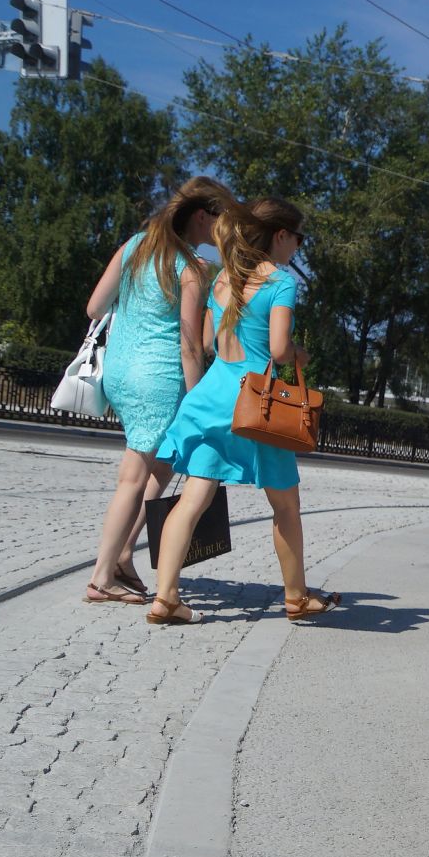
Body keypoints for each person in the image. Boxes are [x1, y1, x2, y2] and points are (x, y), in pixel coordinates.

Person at [145, 197, 341, 626]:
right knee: (286, 503)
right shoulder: (281, 282)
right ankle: (296, 597)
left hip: (213, 395)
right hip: (258, 404)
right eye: (298, 237)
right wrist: (299, 355)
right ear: (281, 235)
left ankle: (165, 597)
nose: (298, 247)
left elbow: (212, 343)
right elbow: (276, 350)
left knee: (194, 497)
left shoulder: (223, 280)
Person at [78, 176, 237, 605]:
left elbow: (95, 308)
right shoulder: (186, 269)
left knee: (160, 466)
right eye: (220, 221)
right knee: (134, 477)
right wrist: (197, 402)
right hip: (158, 379)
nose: (222, 232)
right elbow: (189, 346)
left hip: (121, 372)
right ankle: (102, 576)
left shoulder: (135, 247)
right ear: (202, 217)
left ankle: (124, 556)